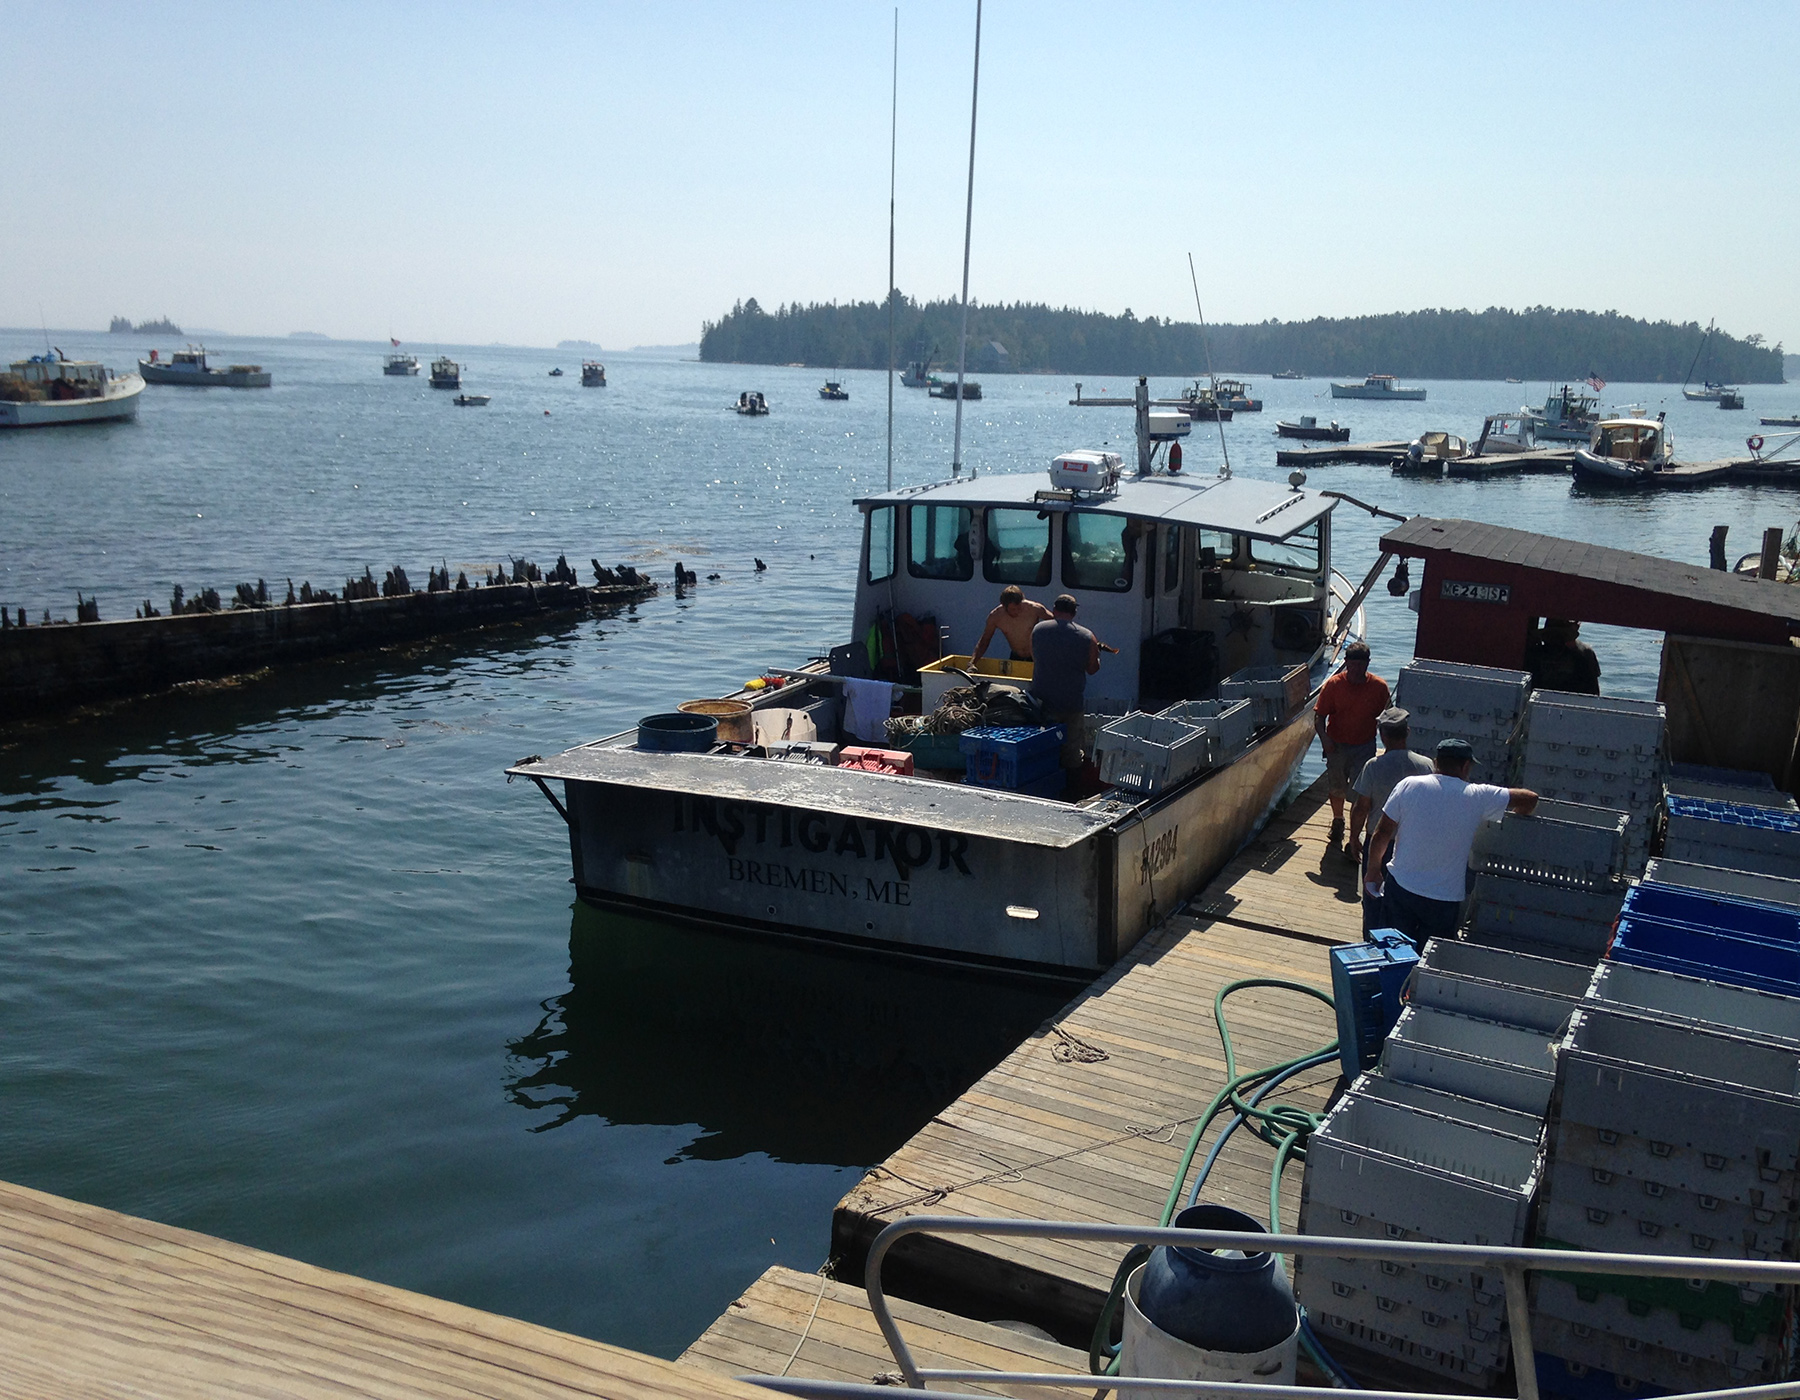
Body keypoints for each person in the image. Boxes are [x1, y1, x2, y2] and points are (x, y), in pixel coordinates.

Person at [1364, 738, 1539, 948]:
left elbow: (1382, 833)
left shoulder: (1409, 785)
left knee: (1393, 952)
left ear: (1436, 762)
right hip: (1443, 899)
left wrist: (1373, 870)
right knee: (1431, 958)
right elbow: (1530, 799)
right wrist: (1516, 819)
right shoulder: (1478, 795)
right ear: (1465, 766)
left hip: (1401, 888)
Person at [1347, 707, 1434, 931]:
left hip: (1378, 843)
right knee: (1405, 901)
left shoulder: (1373, 766)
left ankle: (1371, 940)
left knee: (1373, 899)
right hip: (1413, 845)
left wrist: (1354, 837)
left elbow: (1361, 808)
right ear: (1408, 732)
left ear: (1382, 734)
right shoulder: (1426, 765)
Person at [1313, 641, 1390, 836]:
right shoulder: (1333, 685)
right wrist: (1325, 740)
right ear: (1346, 662)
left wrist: (1389, 746)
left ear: (1368, 664)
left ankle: (1355, 833)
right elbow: (1319, 716)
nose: (1356, 669)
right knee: (1337, 787)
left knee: (1361, 791)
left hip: (1365, 746)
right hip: (1336, 746)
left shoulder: (1379, 687)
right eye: (1352, 665)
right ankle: (1338, 819)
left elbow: (1389, 718)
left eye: (1361, 665)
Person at [1029, 594, 1101, 774]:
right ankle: (1070, 786)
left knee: (1044, 747)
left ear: (1054, 610)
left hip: (1041, 702)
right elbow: (1092, 669)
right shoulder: (1087, 636)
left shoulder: (1038, 630)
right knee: (1072, 751)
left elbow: (1035, 658)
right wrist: (1096, 657)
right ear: (1074, 612)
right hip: (1071, 703)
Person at [972, 586, 1055, 664]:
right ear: (1004, 607)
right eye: (1013, 609)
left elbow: (1056, 623)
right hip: (1016, 656)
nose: (1017, 612)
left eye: (1019, 608)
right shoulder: (995, 617)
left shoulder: (1034, 609)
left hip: (1036, 655)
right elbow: (985, 640)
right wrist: (973, 662)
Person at [1526, 618, 1601, 695]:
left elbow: (1592, 691)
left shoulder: (1583, 655)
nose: (1554, 643)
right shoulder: (1535, 655)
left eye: (1558, 638)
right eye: (1550, 637)